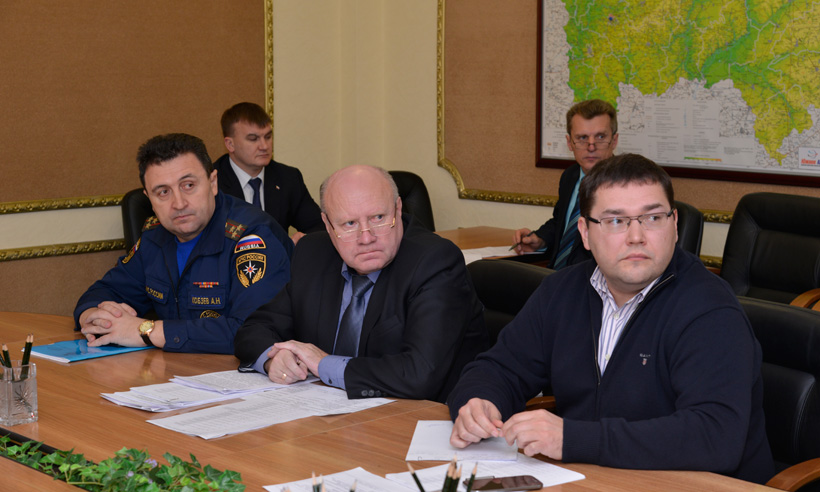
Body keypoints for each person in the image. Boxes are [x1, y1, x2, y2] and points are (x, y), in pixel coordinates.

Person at [448, 154, 774, 484]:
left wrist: (572, 439)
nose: (636, 236)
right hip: (592, 478)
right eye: (616, 221)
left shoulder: (709, 309)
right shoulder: (562, 291)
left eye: (653, 218)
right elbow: (499, 368)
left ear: (674, 225)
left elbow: (716, 436)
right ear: (585, 233)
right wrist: (479, 402)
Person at [235, 165, 489, 402]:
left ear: (398, 209)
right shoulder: (313, 253)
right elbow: (255, 328)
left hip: (417, 416)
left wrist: (323, 364)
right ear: (328, 225)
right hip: (325, 411)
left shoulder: (435, 262)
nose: (366, 238)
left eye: (378, 217)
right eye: (349, 224)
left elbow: (419, 374)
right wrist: (274, 358)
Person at [74, 133, 292, 354]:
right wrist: (94, 317)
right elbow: (104, 291)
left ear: (213, 183)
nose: (178, 204)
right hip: (174, 368)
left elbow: (254, 332)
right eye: (163, 192)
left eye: (188, 185)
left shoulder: (253, 237)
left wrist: (147, 331)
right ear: (149, 199)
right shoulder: (155, 237)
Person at [513, 99, 618, 269]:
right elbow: (561, 222)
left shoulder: (625, 186)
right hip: (555, 275)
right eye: (582, 138)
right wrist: (540, 239)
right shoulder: (570, 176)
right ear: (570, 143)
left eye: (600, 137)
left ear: (614, 141)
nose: (591, 146)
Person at [214, 102, 323, 244]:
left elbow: (318, 227)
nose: (264, 146)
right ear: (230, 144)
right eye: (253, 139)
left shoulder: (288, 178)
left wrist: (303, 240)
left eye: (267, 136)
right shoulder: (212, 182)